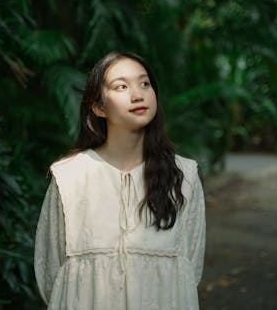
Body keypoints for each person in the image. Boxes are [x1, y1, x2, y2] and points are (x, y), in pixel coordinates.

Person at [34, 51, 206, 310]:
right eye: (121, 86)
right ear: (98, 106)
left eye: (144, 84)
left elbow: (189, 269)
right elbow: (52, 274)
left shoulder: (184, 175)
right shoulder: (69, 177)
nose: (138, 94)